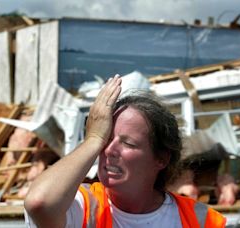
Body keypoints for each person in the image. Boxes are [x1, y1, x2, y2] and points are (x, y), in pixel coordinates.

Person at [24, 75, 226, 227]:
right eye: (107, 139)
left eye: (127, 143)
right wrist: (93, 139)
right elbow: (38, 202)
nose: (109, 150)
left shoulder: (200, 220)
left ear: (161, 159)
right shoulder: (82, 207)